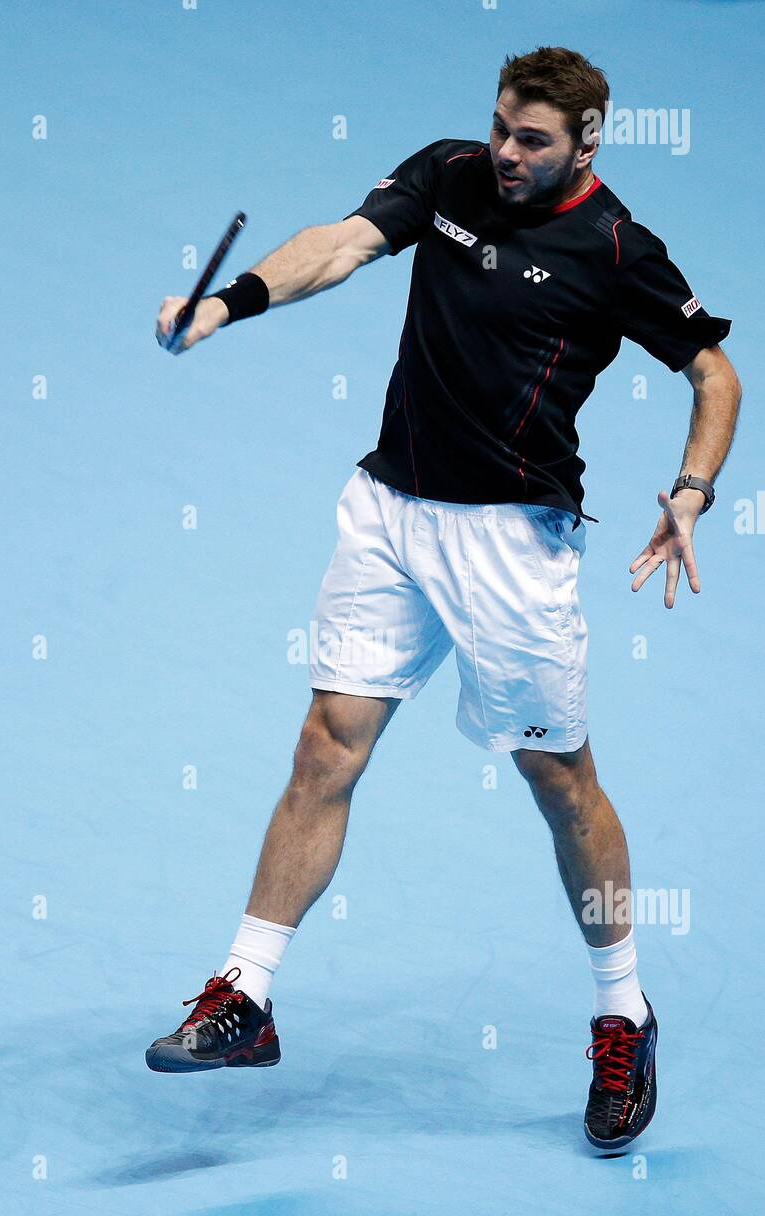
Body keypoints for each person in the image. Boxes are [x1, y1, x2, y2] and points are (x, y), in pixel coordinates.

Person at [148, 46, 740, 1150]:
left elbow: (714, 371)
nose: (506, 155)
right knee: (327, 744)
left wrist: (693, 488)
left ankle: (623, 1010)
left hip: (511, 543)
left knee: (560, 783)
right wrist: (229, 303)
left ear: (585, 143)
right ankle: (248, 990)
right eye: (502, 128)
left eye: (533, 141)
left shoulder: (617, 249)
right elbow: (341, 243)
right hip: (388, 509)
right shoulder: (451, 173)